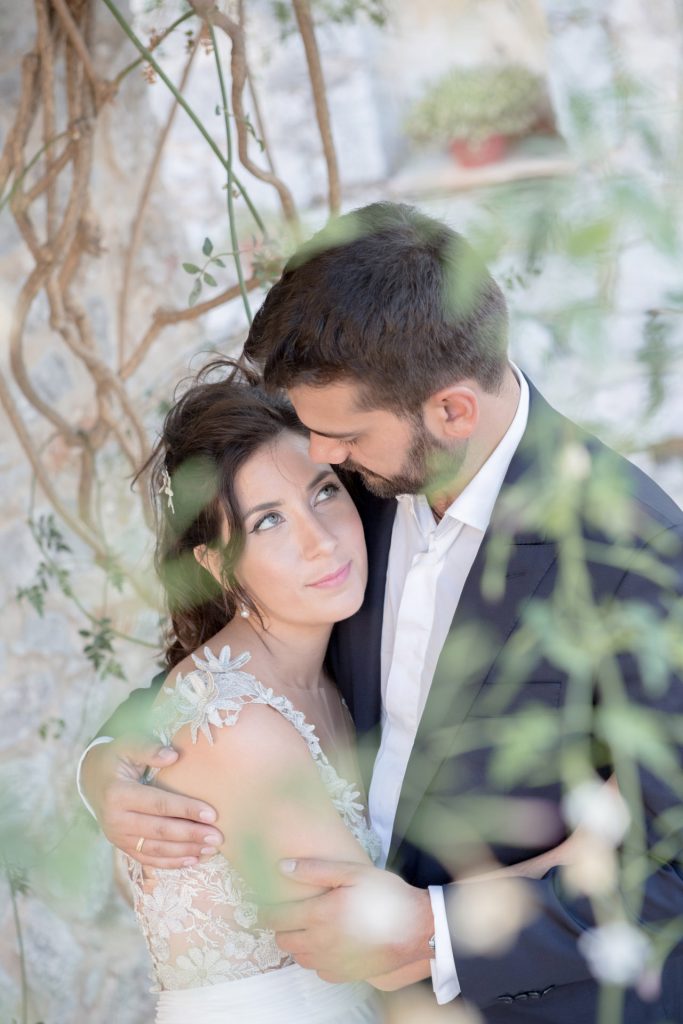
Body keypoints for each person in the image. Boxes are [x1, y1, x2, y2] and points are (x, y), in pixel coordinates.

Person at [80, 204, 683, 1022]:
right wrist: (111, 762)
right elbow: (243, 655)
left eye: (343, 440)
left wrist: (439, 932)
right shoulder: (353, 475)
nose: (320, 456)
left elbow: (670, 874)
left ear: (451, 412)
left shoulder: (636, 561)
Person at [106, 359, 403, 1023]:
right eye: (268, 521)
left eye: (324, 492)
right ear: (217, 564)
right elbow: (386, 943)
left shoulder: (334, 672)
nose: (320, 541)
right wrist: (577, 855)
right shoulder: (237, 724)